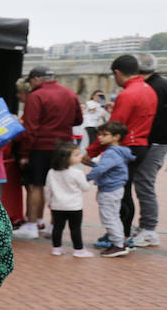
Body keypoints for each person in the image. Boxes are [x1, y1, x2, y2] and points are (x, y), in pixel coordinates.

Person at [89, 55, 155, 248]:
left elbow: (113, 128)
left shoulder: (127, 94)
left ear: (117, 73)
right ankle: (121, 234)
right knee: (124, 191)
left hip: (126, 145)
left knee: (118, 192)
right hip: (141, 144)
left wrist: (91, 152)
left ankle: (119, 237)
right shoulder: (148, 89)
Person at [12, 67, 80, 241]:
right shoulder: (70, 93)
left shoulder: (36, 96)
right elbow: (78, 119)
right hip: (63, 147)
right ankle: (53, 226)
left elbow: (31, 128)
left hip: (41, 146)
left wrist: (25, 153)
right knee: (57, 186)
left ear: (36, 79)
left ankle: (32, 225)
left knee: (36, 186)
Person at [83, 121, 133, 258]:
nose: (99, 137)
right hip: (115, 188)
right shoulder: (118, 151)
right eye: (99, 134)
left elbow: (101, 169)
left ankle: (118, 245)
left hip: (109, 189)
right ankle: (118, 241)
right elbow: (107, 167)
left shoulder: (111, 153)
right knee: (114, 216)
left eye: (104, 135)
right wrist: (92, 164)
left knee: (108, 217)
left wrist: (85, 178)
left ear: (116, 137)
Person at [133, 55, 167, 247]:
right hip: (158, 142)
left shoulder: (151, 88)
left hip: (153, 142)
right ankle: (146, 226)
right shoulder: (162, 84)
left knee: (144, 184)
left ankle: (148, 229)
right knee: (144, 183)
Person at [45, 141, 95, 257]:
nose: (80, 156)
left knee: (57, 228)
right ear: (65, 158)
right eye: (76, 155)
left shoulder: (52, 172)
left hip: (57, 205)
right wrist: (90, 184)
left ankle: (56, 248)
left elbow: (47, 189)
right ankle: (79, 249)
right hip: (74, 206)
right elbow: (85, 188)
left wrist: (49, 202)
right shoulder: (77, 173)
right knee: (75, 228)